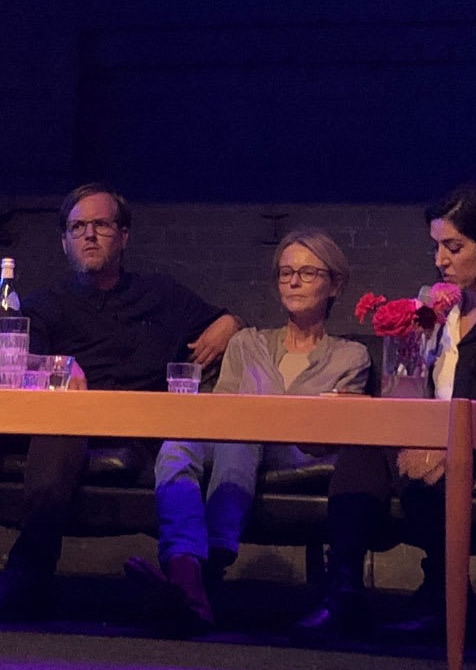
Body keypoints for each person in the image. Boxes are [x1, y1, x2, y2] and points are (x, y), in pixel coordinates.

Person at [0, 184, 240, 618]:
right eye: (77, 227)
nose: (89, 235)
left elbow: (227, 320)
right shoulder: (44, 304)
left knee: (60, 434)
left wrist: (229, 323)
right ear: (64, 241)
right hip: (62, 419)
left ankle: (28, 574)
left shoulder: (161, 294)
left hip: (132, 429)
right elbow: (16, 363)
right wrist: (59, 366)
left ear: (123, 236)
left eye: (101, 225)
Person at [298, 183, 476, 641]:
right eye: (436, 247)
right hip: (427, 435)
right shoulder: (436, 313)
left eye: (453, 248)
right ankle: (343, 590)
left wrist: (450, 448)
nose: (440, 260)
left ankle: (444, 592)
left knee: (429, 467)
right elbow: (412, 389)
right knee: (363, 446)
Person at [129, 228, 373, 631]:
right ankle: (185, 567)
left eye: (308, 273)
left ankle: (206, 570)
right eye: (286, 273)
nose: (293, 282)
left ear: (335, 284)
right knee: (179, 442)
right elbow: (222, 411)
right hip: (237, 444)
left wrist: (262, 417)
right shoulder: (247, 343)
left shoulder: (351, 356)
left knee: (243, 430)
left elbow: (335, 429)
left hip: (301, 452)